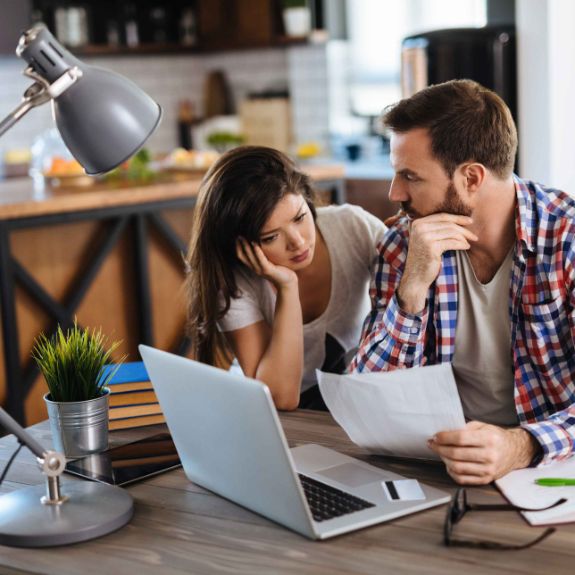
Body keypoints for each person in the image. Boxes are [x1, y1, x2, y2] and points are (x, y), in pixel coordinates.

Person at [351, 79, 575, 484]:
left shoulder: (566, 240)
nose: (393, 192)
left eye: (410, 177)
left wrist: (520, 445)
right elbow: (367, 397)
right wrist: (413, 288)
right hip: (440, 465)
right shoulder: (404, 244)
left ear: (471, 178)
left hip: (551, 468)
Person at [187, 146, 386, 410]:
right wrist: (287, 287)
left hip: (352, 407)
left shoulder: (353, 227)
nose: (298, 242)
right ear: (240, 244)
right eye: (271, 237)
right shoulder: (233, 281)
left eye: (300, 217)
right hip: (272, 417)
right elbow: (281, 397)